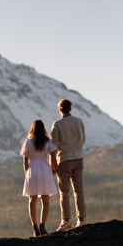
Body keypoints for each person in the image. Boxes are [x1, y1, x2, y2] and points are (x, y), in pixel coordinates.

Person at [50, 98, 86, 232]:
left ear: (60, 109)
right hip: (78, 158)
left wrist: (52, 165)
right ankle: (81, 220)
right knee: (79, 190)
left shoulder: (57, 124)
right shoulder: (79, 122)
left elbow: (53, 147)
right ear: (70, 108)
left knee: (64, 192)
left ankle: (65, 220)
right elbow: (83, 140)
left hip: (64, 160)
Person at [21, 120, 58, 236]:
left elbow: (25, 162)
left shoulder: (27, 142)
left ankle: (34, 227)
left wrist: (27, 173)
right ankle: (43, 226)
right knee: (45, 200)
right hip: (45, 169)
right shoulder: (48, 142)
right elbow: (53, 156)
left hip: (32, 170)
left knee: (32, 200)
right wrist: (54, 168)